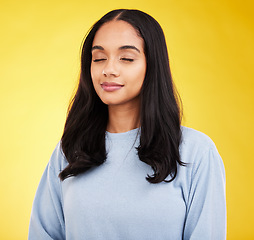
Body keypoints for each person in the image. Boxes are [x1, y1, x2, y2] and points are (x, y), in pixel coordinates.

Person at [28, 9, 226, 240]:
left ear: (152, 66)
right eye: (99, 58)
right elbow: (43, 234)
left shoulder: (197, 152)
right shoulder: (71, 149)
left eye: (127, 58)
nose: (108, 70)